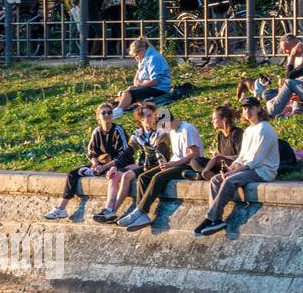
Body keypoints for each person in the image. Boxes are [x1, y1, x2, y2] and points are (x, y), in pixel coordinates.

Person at [195, 97, 280, 236]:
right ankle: (215, 220)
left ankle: (210, 218)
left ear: (259, 108)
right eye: (244, 108)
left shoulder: (264, 128)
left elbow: (255, 161)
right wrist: (230, 168)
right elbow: (242, 157)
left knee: (229, 180)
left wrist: (231, 174)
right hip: (250, 168)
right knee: (216, 179)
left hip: (263, 171)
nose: (247, 111)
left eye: (250, 107)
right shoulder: (249, 130)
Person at [119, 107, 204, 230]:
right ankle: (142, 215)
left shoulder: (187, 129)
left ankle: (139, 211)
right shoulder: (173, 131)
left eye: (160, 126)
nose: (159, 130)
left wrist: (173, 164)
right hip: (176, 163)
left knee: (158, 177)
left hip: (188, 165)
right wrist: (167, 163)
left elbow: (194, 154)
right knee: (144, 176)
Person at [44, 103, 129, 220]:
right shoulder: (97, 131)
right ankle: (61, 208)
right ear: (98, 116)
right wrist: (95, 163)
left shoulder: (118, 130)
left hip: (117, 165)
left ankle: (109, 209)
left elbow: (124, 153)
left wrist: (105, 167)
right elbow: (91, 152)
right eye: (103, 113)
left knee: (113, 174)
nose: (107, 115)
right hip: (101, 166)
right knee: (73, 173)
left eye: (109, 112)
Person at [91, 103, 167, 223]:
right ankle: (108, 208)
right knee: (114, 175)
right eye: (148, 116)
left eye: (153, 116)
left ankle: (113, 212)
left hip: (156, 165)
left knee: (126, 176)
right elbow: (127, 153)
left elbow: (161, 156)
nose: (152, 118)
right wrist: (113, 166)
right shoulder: (138, 134)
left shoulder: (161, 133)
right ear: (141, 118)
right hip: (142, 164)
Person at [235, 35, 303, 103]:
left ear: (296, 45)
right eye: (283, 50)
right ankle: (289, 100)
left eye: (286, 49)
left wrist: (288, 85)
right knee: (266, 94)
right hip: (292, 88)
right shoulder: (291, 55)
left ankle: (291, 101)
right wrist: (283, 84)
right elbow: (290, 76)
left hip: (302, 88)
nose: (284, 52)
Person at [111, 38, 171, 116]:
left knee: (129, 94)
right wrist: (136, 85)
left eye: (136, 55)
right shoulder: (143, 58)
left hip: (158, 89)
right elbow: (137, 75)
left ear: (142, 50)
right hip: (146, 86)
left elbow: (155, 81)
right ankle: (119, 108)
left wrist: (139, 86)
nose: (136, 59)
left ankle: (118, 112)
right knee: (121, 97)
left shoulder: (154, 58)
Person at [192, 104, 242, 181]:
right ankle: (207, 174)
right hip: (222, 164)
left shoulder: (237, 133)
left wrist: (221, 156)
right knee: (195, 160)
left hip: (234, 164)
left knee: (217, 159)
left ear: (224, 119)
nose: (212, 122)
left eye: (215, 119)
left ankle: (205, 174)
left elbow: (241, 156)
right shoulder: (220, 134)